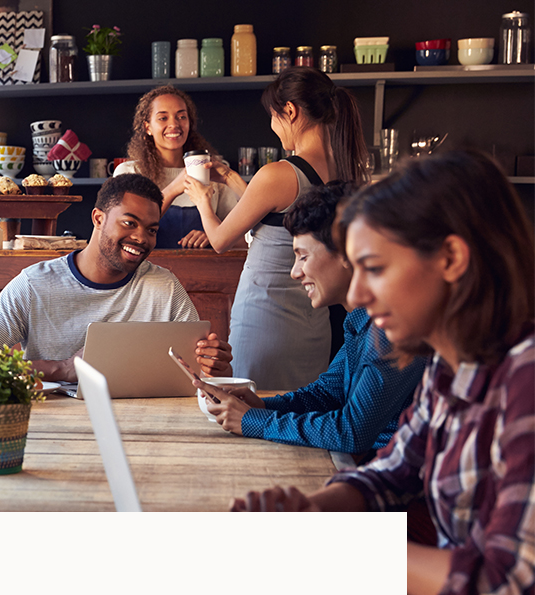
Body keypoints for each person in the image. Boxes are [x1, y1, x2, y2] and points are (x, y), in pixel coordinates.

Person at [229, 151, 534, 595]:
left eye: (375, 268)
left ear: (450, 258)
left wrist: (341, 546)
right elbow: (391, 472)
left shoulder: (525, 381)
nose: (362, 297)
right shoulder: (451, 362)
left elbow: (501, 593)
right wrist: (311, 511)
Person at [196, 181, 425, 457]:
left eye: (303, 256)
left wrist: (252, 421)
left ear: (346, 253)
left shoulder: (394, 326)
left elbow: (352, 431)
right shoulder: (359, 319)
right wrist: (262, 407)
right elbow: (327, 394)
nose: (295, 272)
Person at [186, 67, 369, 392]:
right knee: (301, 412)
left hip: (265, 318)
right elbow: (283, 217)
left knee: (254, 413)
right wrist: (230, 178)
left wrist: (202, 198)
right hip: (314, 325)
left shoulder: (278, 173)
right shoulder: (343, 168)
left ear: (290, 111)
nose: (272, 126)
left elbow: (219, 240)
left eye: (273, 116)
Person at [0, 173, 232, 383]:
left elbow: (202, 371)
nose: (141, 238)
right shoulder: (35, 284)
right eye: (129, 223)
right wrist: (63, 369)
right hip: (51, 429)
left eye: (151, 229)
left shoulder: (164, 287)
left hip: (145, 425)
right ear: (98, 218)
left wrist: (216, 364)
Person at [113, 85, 242, 249]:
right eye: (162, 118)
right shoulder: (129, 173)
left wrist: (214, 236)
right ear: (148, 127)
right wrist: (175, 187)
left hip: (204, 271)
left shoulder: (214, 172)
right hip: (145, 272)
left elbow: (246, 238)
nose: (174, 124)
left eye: (181, 117)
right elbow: (122, 232)